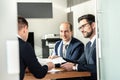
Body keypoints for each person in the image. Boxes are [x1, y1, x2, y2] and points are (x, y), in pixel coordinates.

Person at [61, 14, 97, 80]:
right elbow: (80, 62)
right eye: (80, 28)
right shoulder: (88, 45)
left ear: (93, 25)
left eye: (83, 26)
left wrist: (75, 67)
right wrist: (60, 59)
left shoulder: (100, 44)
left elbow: (98, 68)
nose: (82, 30)